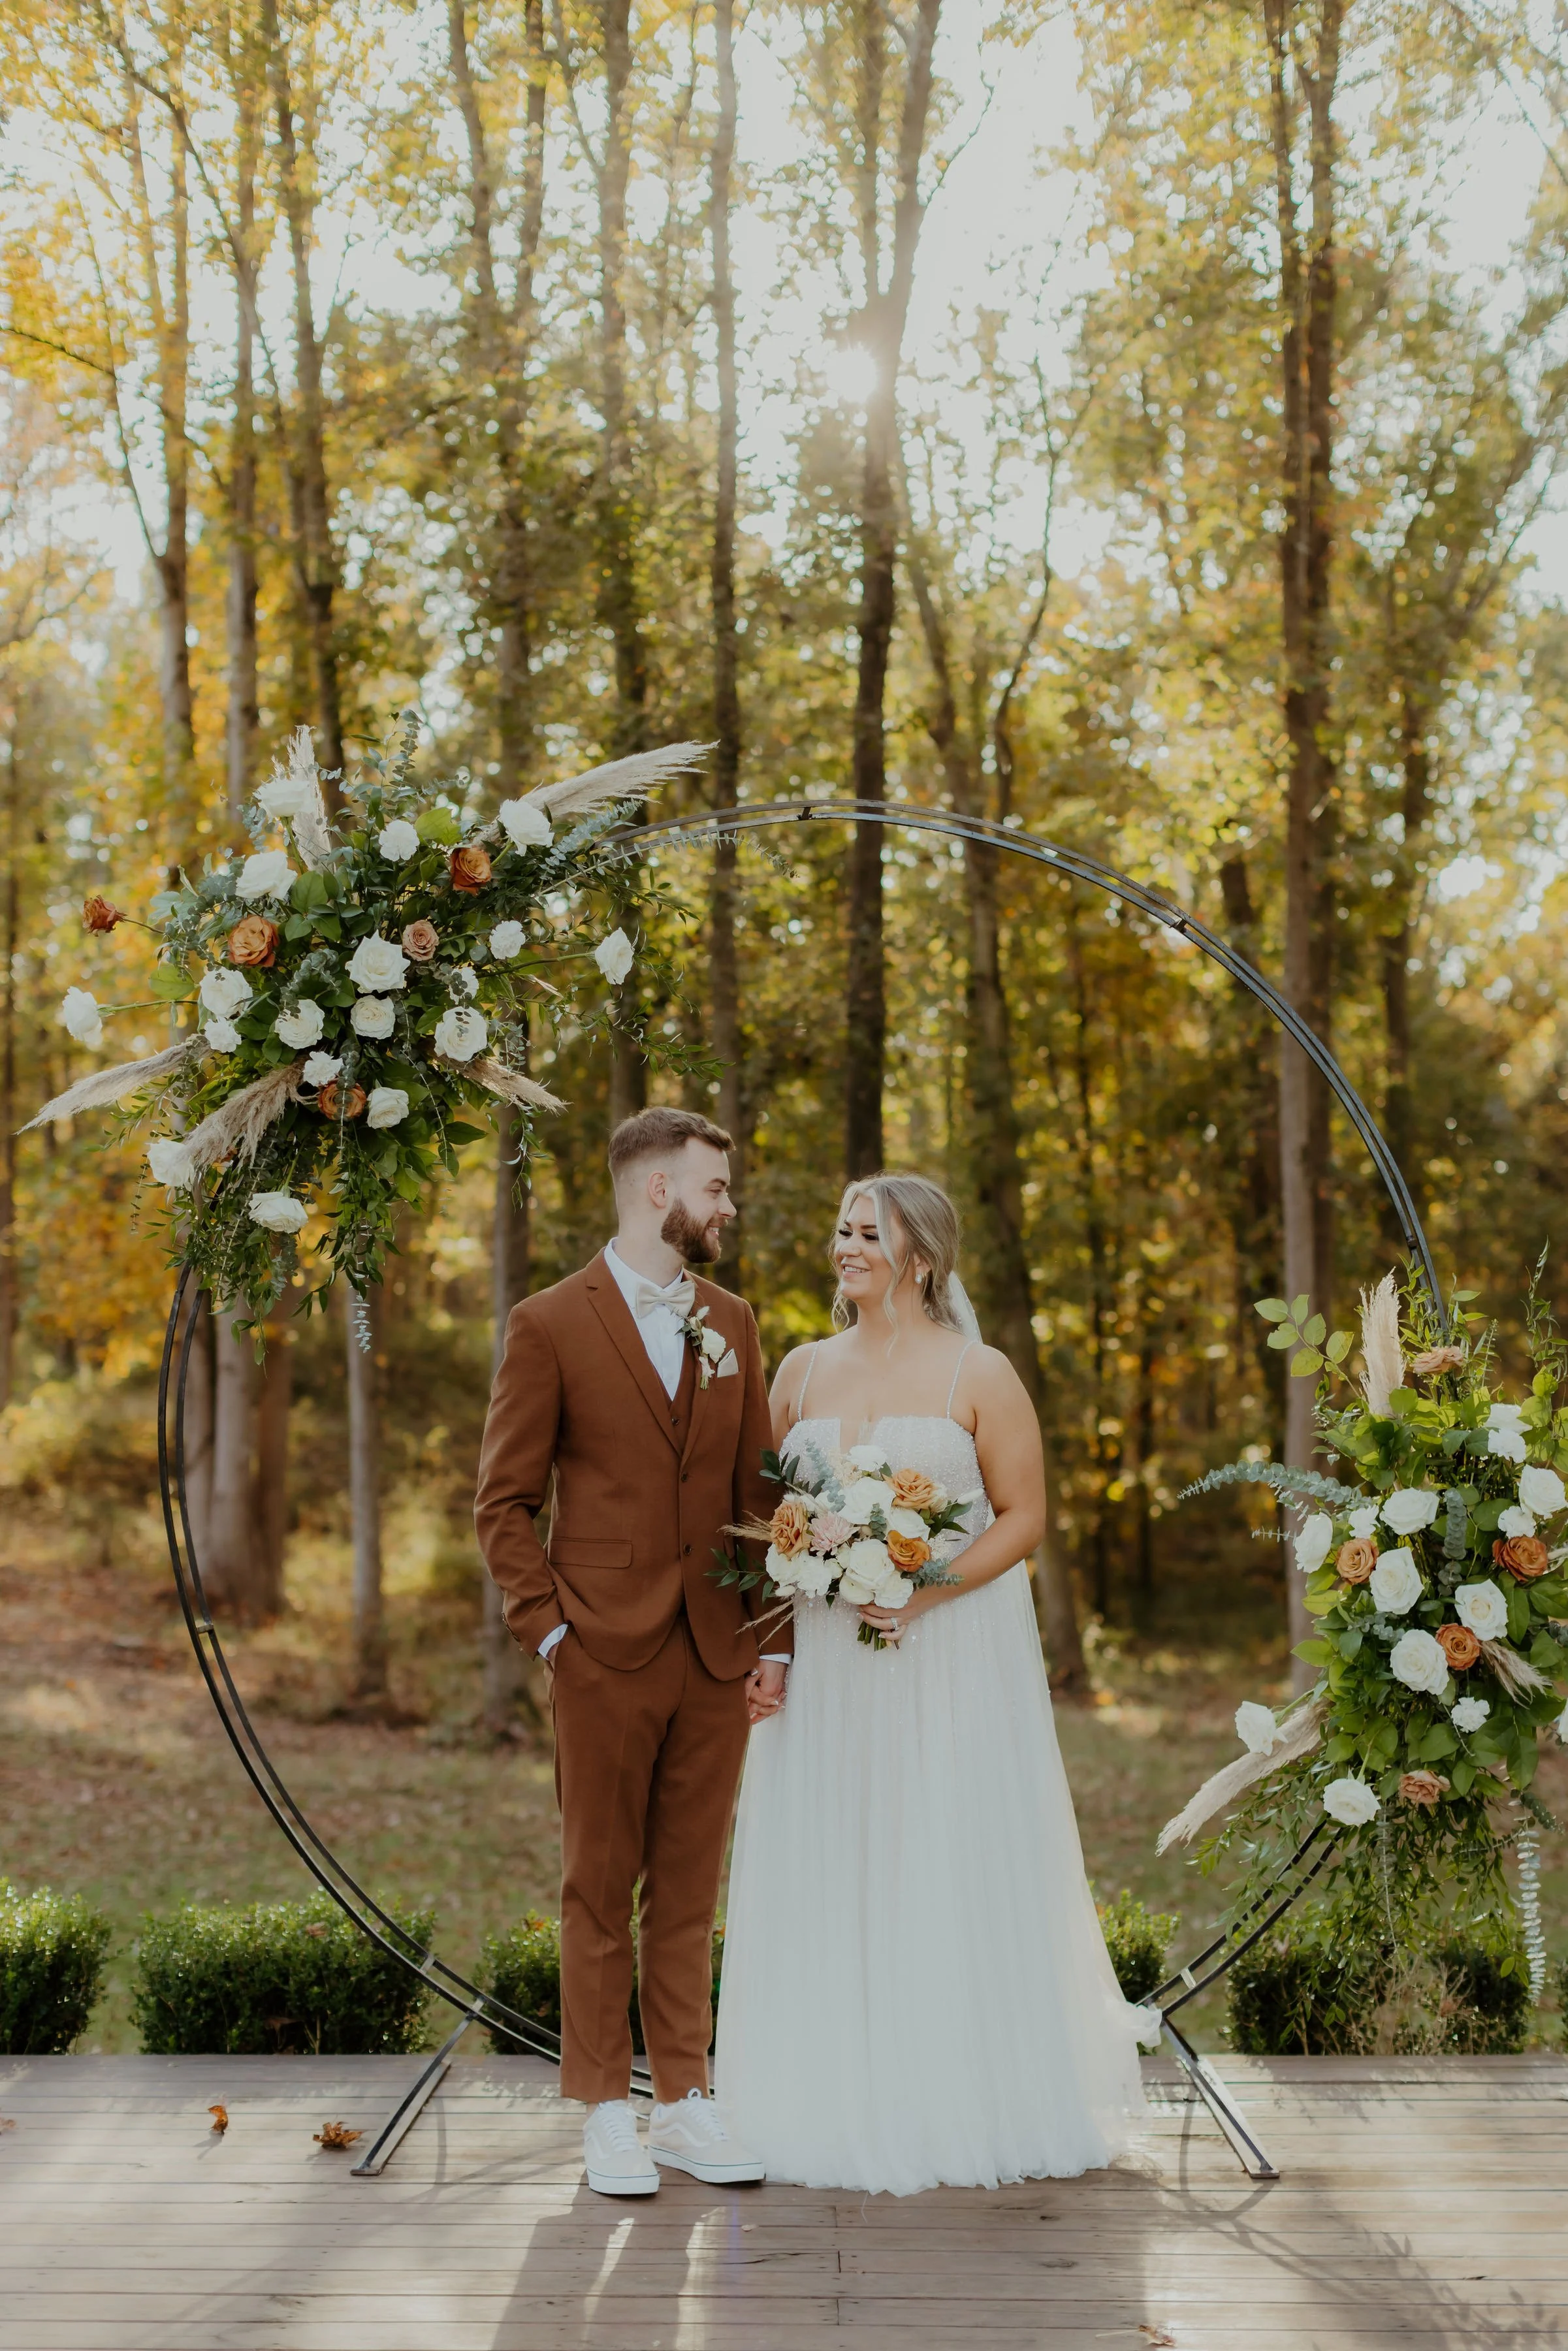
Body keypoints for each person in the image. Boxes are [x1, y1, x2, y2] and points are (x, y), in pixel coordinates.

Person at [714, 1171, 1153, 2194]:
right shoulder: (801, 1373)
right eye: (842, 1227)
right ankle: (818, 2093)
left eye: (868, 1231)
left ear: (921, 1257)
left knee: (938, 1851)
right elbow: (768, 1522)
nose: (846, 1244)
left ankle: (953, 2093)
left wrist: (924, 1585)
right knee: (835, 1851)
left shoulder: (980, 1372)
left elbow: (1023, 1516)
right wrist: (769, 1651)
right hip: (827, 1666)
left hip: (946, 1660)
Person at [475, 1107, 792, 2197]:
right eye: (715, 1188)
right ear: (659, 1190)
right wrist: (548, 1631)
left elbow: (761, 1495)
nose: (727, 1208)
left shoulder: (734, 1322)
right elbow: (503, 1504)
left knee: (692, 1888)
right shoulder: (550, 1323)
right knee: (598, 1885)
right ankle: (606, 2107)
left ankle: (688, 2103)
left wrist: (773, 1641)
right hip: (599, 1650)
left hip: (713, 1647)